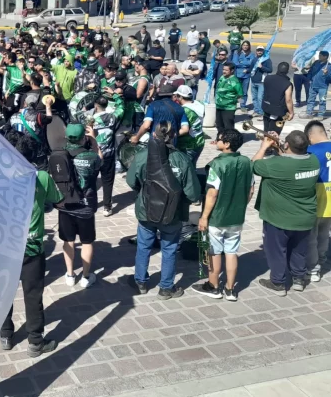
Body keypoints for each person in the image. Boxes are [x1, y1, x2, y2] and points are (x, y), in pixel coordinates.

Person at [1, 135, 60, 358]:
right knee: (33, 294)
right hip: (33, 248)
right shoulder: (42, 177)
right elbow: (56, 199)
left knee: (5, 292)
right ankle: (35, 341)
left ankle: (5, 334)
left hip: (5, 247)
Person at [127, 122, 201, 298]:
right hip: (173, 213)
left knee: (144, 246)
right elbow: (193, 193)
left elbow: (131, 181)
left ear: (154, 136)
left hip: (146, 209)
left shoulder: (142, 156)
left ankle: (140, 282)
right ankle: (166, 287)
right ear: (174, 136)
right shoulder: (182, 159)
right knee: (169, 248)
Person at [252, 131, 319, 295]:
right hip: (305, 217)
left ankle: (278, 282)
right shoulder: (313, 160)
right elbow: (292, 160)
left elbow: (253, 165)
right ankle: (298, 279)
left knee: (276, 250)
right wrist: (279, 148)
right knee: (299, 250)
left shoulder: (275, 164)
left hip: (278, 218)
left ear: (288, 145)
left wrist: (264, 146)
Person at [192, 129, 254, 301]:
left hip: (217, 217)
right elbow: (250, 190)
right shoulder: (247, 162)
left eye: (218, 139)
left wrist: (204, 217)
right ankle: (230, 289)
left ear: (226, 144)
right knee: (232, 252)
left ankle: (213, 286)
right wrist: (240, 206)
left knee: (214, 252)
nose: (216, 141)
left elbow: (212, 193)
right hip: (236, 217)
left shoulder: (217, 164)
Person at [57, 123, 102, 288]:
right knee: (87, 242)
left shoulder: (59, 154)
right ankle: (86, 276)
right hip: (85, 206)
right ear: (84, 137)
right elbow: (100, 162)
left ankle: (70, 275)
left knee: (68, 241)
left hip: (65, 205)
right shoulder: (91, 156)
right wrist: (95, 141)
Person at [303, 121, 331, 282]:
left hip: (318, 195)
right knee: (324, 233)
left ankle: (313, 269)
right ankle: (322, 259)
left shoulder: (311, 151)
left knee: (311, 236)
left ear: (311, 135)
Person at [175, 85, 205, 167]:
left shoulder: (185, 110)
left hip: (189, 145)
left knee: (186, 169)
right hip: (200, 141)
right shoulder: (199, 104)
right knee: (192, 166)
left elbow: (184, 129)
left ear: (180, 97)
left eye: (177, 96)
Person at [261, 62, 294, 133]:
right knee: (274, 134)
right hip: (278, 111)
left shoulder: (267, 78)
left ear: (277, 69)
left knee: (266, 131)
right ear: (287, 71)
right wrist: (291, 113)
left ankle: (265, 142)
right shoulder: (287, 84)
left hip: (266, 107)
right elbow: (288, 100)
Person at [214, 62, 243, 137]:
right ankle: (219, 139)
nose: (224, 71)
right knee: (219, 125)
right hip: (219, 106)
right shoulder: (222, 77)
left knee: (228, 126)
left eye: (226, 70)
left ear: (232, 71)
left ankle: (230, 141)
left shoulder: (235, 82)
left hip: (229, 108)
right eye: (223, 69)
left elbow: (240, 95)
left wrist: (239, 105)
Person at [304, 50, 331, 118]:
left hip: (323, 87)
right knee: (310, 100)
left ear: (325, 57)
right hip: (313, 85)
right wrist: (309, 79)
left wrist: (326, 73)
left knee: (322, 101)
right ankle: (309, 113)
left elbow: (330, 79)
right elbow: (310, 71)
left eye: (320, 55)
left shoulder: (329, 66)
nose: (319, 56)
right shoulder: (316, 62)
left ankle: (320, 115)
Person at [232, 41, 256, 112]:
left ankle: (243, 105)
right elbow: (235, 63)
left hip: (246, 76)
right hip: (237, 75)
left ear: (249, 46)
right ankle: (235, 104)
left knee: (244, 92)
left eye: (247, 45)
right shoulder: (237, 53)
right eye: (244, 45)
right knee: (237, 91)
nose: (245, 46)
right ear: (241, 46)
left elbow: (252, 63)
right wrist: (246, 63)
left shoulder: (251, 54)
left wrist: (242, 62)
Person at [250, 46, 272, 119]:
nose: (259, 52)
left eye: (261, 51)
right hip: (253, 81)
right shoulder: (254, 59)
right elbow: (251, 68)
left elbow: (270, 70)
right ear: (256, 51)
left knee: (260, 98)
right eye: (258, 50)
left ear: (263, 51)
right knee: (254, 98)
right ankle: (257, 110)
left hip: (261, 82)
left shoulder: (266, 60)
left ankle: (262, 112)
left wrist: (261, 67)